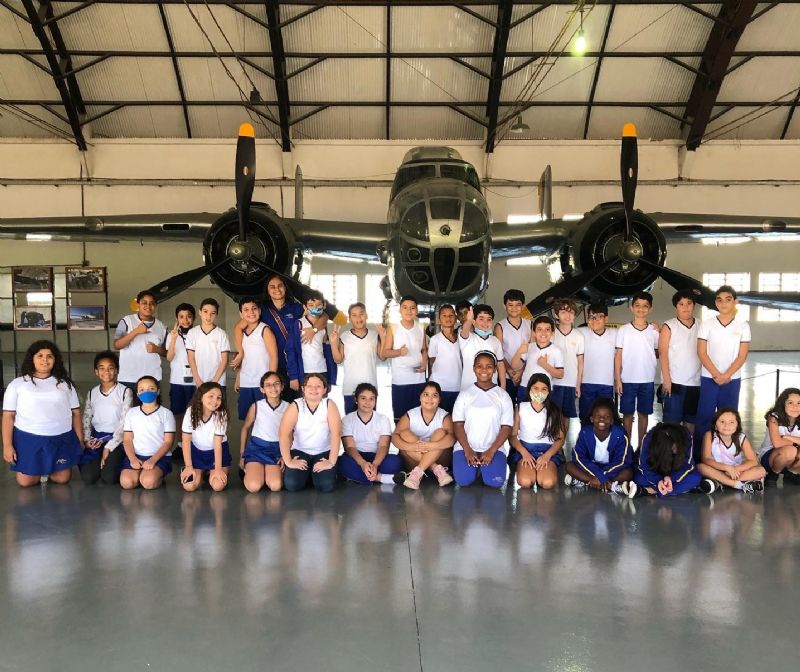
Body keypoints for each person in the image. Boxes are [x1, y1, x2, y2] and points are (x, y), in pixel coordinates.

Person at [230, 274, 326, 401]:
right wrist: (241, 353)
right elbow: (238, 328)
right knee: (279, 404)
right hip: (275, 364)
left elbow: (323, 316)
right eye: (272, 287)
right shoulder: (262, 310)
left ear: (285, 288)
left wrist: (313, 330)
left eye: (280, 286)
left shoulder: (296, 307)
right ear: (268, 290)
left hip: (297, 363)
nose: (277, 289)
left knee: (300, 401)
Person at [2, 340, 83, 487]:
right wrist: (7, 445)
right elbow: (8, 416)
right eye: (40, 356)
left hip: (60, 438)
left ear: (55, 360)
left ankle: (48, 468)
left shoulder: (65, 384)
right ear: (32, 359)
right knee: (26, 482)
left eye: (49, 356)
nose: (45, 360)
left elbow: (76, 414)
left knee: (62, 479)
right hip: (29, 438)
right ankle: (38, 468)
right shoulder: (17, 384)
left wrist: (79, 440)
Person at [695, 285, 751, 451]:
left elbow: (742, 355)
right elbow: (702, 352)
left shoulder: (743, 326)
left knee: (729, 418)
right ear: (715, 303)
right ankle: (700, 455)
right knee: (704, 418)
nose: (724, 303)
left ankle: (729, 453)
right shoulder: (707, 324)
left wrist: (726, 375)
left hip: (732, 380)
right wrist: (716, 374)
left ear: (735, 301)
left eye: (728, 299)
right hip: (709, 378)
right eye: (719, 299)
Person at [452, 351, 514, 489]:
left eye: (489, 366)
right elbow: (458, 425)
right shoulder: (465, 394)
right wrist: (467, 450)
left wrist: (491, 451)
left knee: (495, 482)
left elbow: (506, 427)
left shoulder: (503, 396)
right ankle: (477, 469)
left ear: (495, 369)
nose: (484, 370)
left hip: (493, 448)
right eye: (479, 366)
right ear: (474, 368)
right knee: (464, 481)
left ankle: (483, 469)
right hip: (466, 448)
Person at [279, 373, 341, 493]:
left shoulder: (329, 404)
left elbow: (336, 434)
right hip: (300, 451)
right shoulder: (296, 405)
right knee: (292, 485)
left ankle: (313, 475)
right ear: (303, 388)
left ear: (324, 389)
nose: (313, 389)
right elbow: (283, 434)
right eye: (309, 386)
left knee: (326, 485)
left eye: (318, 386)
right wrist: (288, 461)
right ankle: (308, 474)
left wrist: (331, 461)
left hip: (323, 452)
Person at [80, 351, 133, 485]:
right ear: (96, 371)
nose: (106, 372)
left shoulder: (125, 392)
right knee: (89, 477)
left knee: (109, 477)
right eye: (101, 368)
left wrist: (108, 447)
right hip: (96, 438)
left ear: (116, 370)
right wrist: (87, 440)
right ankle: (99, 461)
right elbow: (86, 418)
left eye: (110, 368)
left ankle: (113, 462)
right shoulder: (92, 393)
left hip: (117, 439)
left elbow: (124, 423)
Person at [564, 397, 636, 497]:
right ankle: (608, 485)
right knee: (569, 466)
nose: (602, 419)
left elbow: (622, 461)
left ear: (612, 420)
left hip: (612, 469)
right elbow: (578, 457)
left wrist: (602, 476)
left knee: (628, 472)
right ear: (592, 419)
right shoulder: (585, 433)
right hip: (592, 467)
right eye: (598, 416)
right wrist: (600, 475)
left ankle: (587, 482)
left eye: (606, 416)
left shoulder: (620, 434)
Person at [391, 381, 456, 490]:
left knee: (441, 432)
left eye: (434, 395)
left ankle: (417, 474)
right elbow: (394, 437)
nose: (430, 399)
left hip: (441, 459)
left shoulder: (444, 416)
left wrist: (432, 446)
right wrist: (410, 447)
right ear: (420, 397)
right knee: (404, 434)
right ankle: (435, 469)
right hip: (416, 462)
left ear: (439, 400)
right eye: (426, 394)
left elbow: (451, 439)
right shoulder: (410, 414)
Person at [614, 291, 659, 446]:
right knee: (627, 414)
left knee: (644, 413)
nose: (641, 309)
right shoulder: (624, 330)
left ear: (651, 309)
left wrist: (658, 330)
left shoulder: (654, 331)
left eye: (645, 306)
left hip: (647, 379)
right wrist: (618, 379)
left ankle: (641, 446)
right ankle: (626, 447)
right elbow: (618, 355)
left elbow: (660, 351)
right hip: (627, 379)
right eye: (637, 306)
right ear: (632, 308)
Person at [509, 373, 565, 490]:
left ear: (549, 391)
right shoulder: (521, 408)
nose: (539, 392)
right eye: (536, 388)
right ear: (529, 389)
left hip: (547, 451)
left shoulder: (555, 410)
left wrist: (547, 456)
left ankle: (545, 470)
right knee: (525, 482)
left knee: (547, 483)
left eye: (544, 389)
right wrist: (524, 453)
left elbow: (560, 438)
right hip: (526, 450)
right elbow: (513, 436)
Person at [338, 383, 401, 484]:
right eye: (363, 398)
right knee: (341, 462)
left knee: (395, 462)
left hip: (377, 456)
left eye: (372, 398)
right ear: (356, 400)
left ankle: (358, 476)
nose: (368, 402)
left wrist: (375, 464)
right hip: (357, 457)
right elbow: (349, 447)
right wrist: (363, 464)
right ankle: (381, 478)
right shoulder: (347, 419)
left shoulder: (383, 419)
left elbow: (384, 446)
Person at [120, 376, 175, 490]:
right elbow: (127, 439)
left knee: (148, 482)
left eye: (151, 388)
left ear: (158, 391)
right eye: (142, 390)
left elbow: (168, 442)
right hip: (136, 456)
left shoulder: (166, 414)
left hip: (159, 457)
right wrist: (133, 459)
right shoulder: (131, 413)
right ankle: (141, 474)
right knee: (127, 483)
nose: (147, 392)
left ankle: (154, 475)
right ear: (138, 393)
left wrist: (153, 460)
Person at [659, 290, 701, 433]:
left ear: (694, 305)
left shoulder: (702, 325)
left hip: (695, 382)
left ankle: (688, 452)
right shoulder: (668, 326)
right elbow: (663, 353)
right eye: (681, 304)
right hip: (674, 382)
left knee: (691, 421)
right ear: (676, 306)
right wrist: (666, 379)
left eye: (689, 303)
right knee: (672, 423)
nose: (685, 307)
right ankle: (671, 453)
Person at [329, 302, 382, 414]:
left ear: (366, 315)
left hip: (370, 387)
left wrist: (384, 336)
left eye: (361, 314)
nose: (358, 318)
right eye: (354, 315)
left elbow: (383, 357)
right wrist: (334, 344)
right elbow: (338, 359)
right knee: (351, 424)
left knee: (370, 423)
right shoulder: (344, 336)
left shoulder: (374, 335)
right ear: (350, 319)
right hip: (350, 388)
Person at [240, 371, 288, 493]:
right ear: (262, 389)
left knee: (275, 485)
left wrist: (285, 455)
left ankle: (267, 473)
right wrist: (242, 453)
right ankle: (253, 471)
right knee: (254, 486)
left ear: (282, 386)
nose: (273, 388)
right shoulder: (256, 406)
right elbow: (245, 428)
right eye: (268, 385)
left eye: (276, 384)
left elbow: (292, 433)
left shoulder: (288, 407)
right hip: (257, 448)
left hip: (277, 449)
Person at [381, 295, 427, 421]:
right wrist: (399, 352)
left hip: (418, 380)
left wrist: (424, 364)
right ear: (400, 310)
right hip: (400, 380)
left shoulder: (421, 327)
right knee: (401, 418)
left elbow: (424, 350)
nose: (409, 311)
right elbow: (385, 353)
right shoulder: (393, 328)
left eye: (412, 308)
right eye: (405, 307)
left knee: (418, 417)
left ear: (416, 311)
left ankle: (417, 441)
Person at [697, 408, 765, 493]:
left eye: (731, 422)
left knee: (761, 471)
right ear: (715, 425)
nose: (726, 425)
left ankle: (721, 482)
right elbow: (705, 459)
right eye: (722, 422)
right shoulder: (709, 435)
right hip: (717, 469)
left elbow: (753, 461)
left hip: (736, 471)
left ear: (737, 425)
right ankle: (740, 485)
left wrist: (735, 469)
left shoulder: (741, 437)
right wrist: (726, 468)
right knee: (701, 467)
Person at [180, 382, 231, 492]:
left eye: (219, 397)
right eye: (211, 396)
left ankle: (212, 471)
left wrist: (217, 469)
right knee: (189, 486)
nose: (215, 401)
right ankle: (201, 472)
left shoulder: (221, 414)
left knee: (218, 486)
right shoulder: (191, 411)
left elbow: (217, 444)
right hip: (197, 452)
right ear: (201, 397)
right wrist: (188, 467)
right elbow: (186, 441)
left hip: (216, 452)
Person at [234, 296, 278, 420]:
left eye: (254, 309)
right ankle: (248, 440)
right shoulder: (242, 332)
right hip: (246, 381)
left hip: (261, 383)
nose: (251, 312)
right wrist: (238, 377)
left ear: (259, 310)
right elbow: (244, 358)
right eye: (246, 310)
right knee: (247, 419)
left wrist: (271, 382)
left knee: (264, 418)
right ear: (241, 314)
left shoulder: (265, 330)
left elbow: (274, 357)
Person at [113, 290, 167, 391]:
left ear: (155, 305)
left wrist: (156, 349)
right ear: (138, 304)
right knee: (128, 406)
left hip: (152, 378)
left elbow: (167, 353)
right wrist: (135, 332)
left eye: (152, 303)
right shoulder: (126, 321)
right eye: (144, 303)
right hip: (128, 377)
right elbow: (116, 345)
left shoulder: (161, 326)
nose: (148, 306)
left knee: (150, 406)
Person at [634, 422, 706, 496]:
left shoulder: (686, 436)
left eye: (678, 446)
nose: (676, 451)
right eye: (673, 448)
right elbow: (644, 467)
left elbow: (688, 465)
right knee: (638, 478)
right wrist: (658, 481)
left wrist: (671, 478)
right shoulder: (648, 438)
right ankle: (667, 490)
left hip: (676, 472)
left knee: (695, 477)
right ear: (663, 447)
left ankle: (651, 491)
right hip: (656, 471)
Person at [285, 290, 333, 393]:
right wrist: (293, 376)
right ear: (305, 307)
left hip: (322, 370)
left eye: (318, 304)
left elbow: (326, 351)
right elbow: (291, 350)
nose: (315, 308)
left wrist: (330, 378)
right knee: (304, 403)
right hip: (304, 372)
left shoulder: (323, 325)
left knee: (321, 402)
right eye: (311, 305)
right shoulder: (299, 324)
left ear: (324, 305)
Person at [577, 304, 617, 422]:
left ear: (606, 318)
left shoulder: (616, 333)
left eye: (599, 316)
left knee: (605, 417)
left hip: (607, 383)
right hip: (586, 382)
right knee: (585, 416)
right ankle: (585, 439)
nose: (595, 320)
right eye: (591, 317)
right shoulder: (581, 332)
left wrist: (655, 327)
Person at [511, 315, 565, 401]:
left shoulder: (556, 350)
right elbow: (515, 366)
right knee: (522, 412)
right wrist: (519, 352)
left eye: (547, 329)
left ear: (552, 333)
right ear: (534, 333)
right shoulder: (528, 347)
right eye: (539, 329)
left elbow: (560, 374)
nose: (543, 333)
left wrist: (545, 365)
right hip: (525, 387)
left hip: (544, 390)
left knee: (542, 414)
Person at [166, 302, 196, 457]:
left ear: (194, 318)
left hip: (195, 381)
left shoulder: (198, 333)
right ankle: (179, 444)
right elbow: (169, 357)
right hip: (177, 381)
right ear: (177, 318)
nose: (185, 320)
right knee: (178, 413)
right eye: (182, 317)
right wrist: (173, 339)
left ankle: (193, 443)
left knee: (194, 413)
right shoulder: (172, 335)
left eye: (189, 316)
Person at [552, 299, 584, 427]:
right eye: (564, 312)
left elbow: (580, 361)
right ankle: (553, 445)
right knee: (553, 414)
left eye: (571, 312)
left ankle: (562, 444)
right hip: (553, 382)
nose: (567, 315)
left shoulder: (579, 336)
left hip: (570, 382)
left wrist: (578, 384)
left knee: (566, 415)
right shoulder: (551, 333)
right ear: (556, 315)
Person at [494, 289, 531, 403]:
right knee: (507, 408)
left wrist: (521, 371)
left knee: (524, 409)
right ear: (504, 306)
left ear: (523, 306)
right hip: (506, 376)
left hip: (525, 375)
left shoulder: (530, 324)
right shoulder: (500, 326)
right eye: (510, 305)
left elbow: (533, 351)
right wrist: (510, 371)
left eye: (518, 305)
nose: (514, 308)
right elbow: (498, 353)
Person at [458, 304, 506, 391]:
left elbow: (500, 364)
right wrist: (468, 320)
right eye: (481, 319)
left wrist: (503, 387)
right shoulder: (467, 338)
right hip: (468, 390)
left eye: (489, 319)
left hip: (492, 389)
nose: (485, 322)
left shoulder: (495, 341)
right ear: (473, 321)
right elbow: (464, 331)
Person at [759, 387, 800, 484]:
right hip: (771, 457)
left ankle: (792, 473)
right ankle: (773, 474)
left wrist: (788, 437)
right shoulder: (773, 417)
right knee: (791, 450)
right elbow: (777, 443)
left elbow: (781, 440)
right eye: (790, 403)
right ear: (783, 404)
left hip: (791, 459)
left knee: (795, 452)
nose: (795, 406)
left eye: (799, 403)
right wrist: (796, 442)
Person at [186, 297, 230, 387]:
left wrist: (214, 381)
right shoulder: (192, 333)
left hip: (218, 382)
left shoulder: (221, 334)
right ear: (200, 312)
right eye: (205, 312)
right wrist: (197, 380)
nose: (208, 316)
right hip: (199, 382)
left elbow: (225, 360)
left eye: (212, 313)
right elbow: (191, 358)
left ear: (216, 315)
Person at [427, 304, 462, 412]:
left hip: (458, 386)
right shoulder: (435, 340)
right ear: (439, 320)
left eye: (451, 315)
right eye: (444, 316)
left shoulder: (461, 338)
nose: (448, 318)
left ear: (456, 319)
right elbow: (431, 362)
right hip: (440, 387)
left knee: (455, 418)